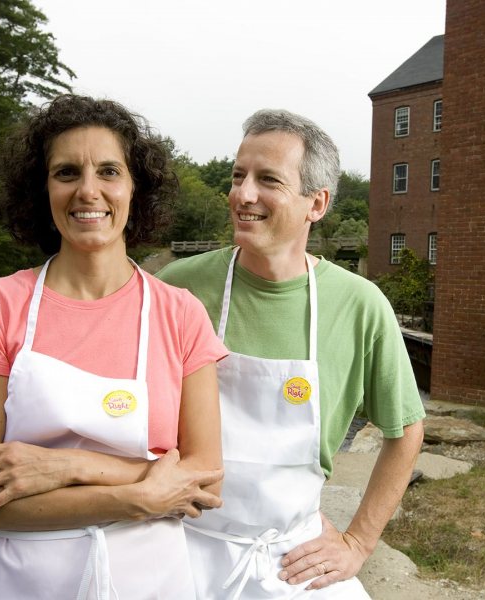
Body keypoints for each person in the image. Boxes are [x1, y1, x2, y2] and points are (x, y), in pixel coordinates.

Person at [0, 94, 226, 599]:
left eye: (109, 171)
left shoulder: (180, 314)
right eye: (67, 172)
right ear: (42, 190)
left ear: (137, 188)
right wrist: (141, 496)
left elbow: (204, 484)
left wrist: (64, 466)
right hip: (14, 586)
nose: (88, 191)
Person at [156, 108, 425, 599]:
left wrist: (358, 542)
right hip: (182, 547)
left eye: (267, 180)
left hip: (292, 560)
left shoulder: (359, 305)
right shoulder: (177, 287)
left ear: (316, 203)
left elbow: (406, 430)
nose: (243, 194)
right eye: (238, 176)